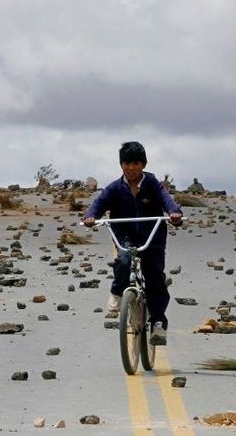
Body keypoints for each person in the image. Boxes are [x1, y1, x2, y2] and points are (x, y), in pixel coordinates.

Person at [83, 141, 182, 346]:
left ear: (143, 164)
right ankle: (118, 293)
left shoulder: (153, 185)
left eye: (135, 163)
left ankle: (157, 324)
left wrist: (175, 213)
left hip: (151, 237)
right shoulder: (115, 188)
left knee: (155, 278)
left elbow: (167, 201)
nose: (131, 168)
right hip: (124, 236)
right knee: (124, 260)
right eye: (126, 163)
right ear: (121, 165)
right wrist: (91, 217)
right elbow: (97, 205)